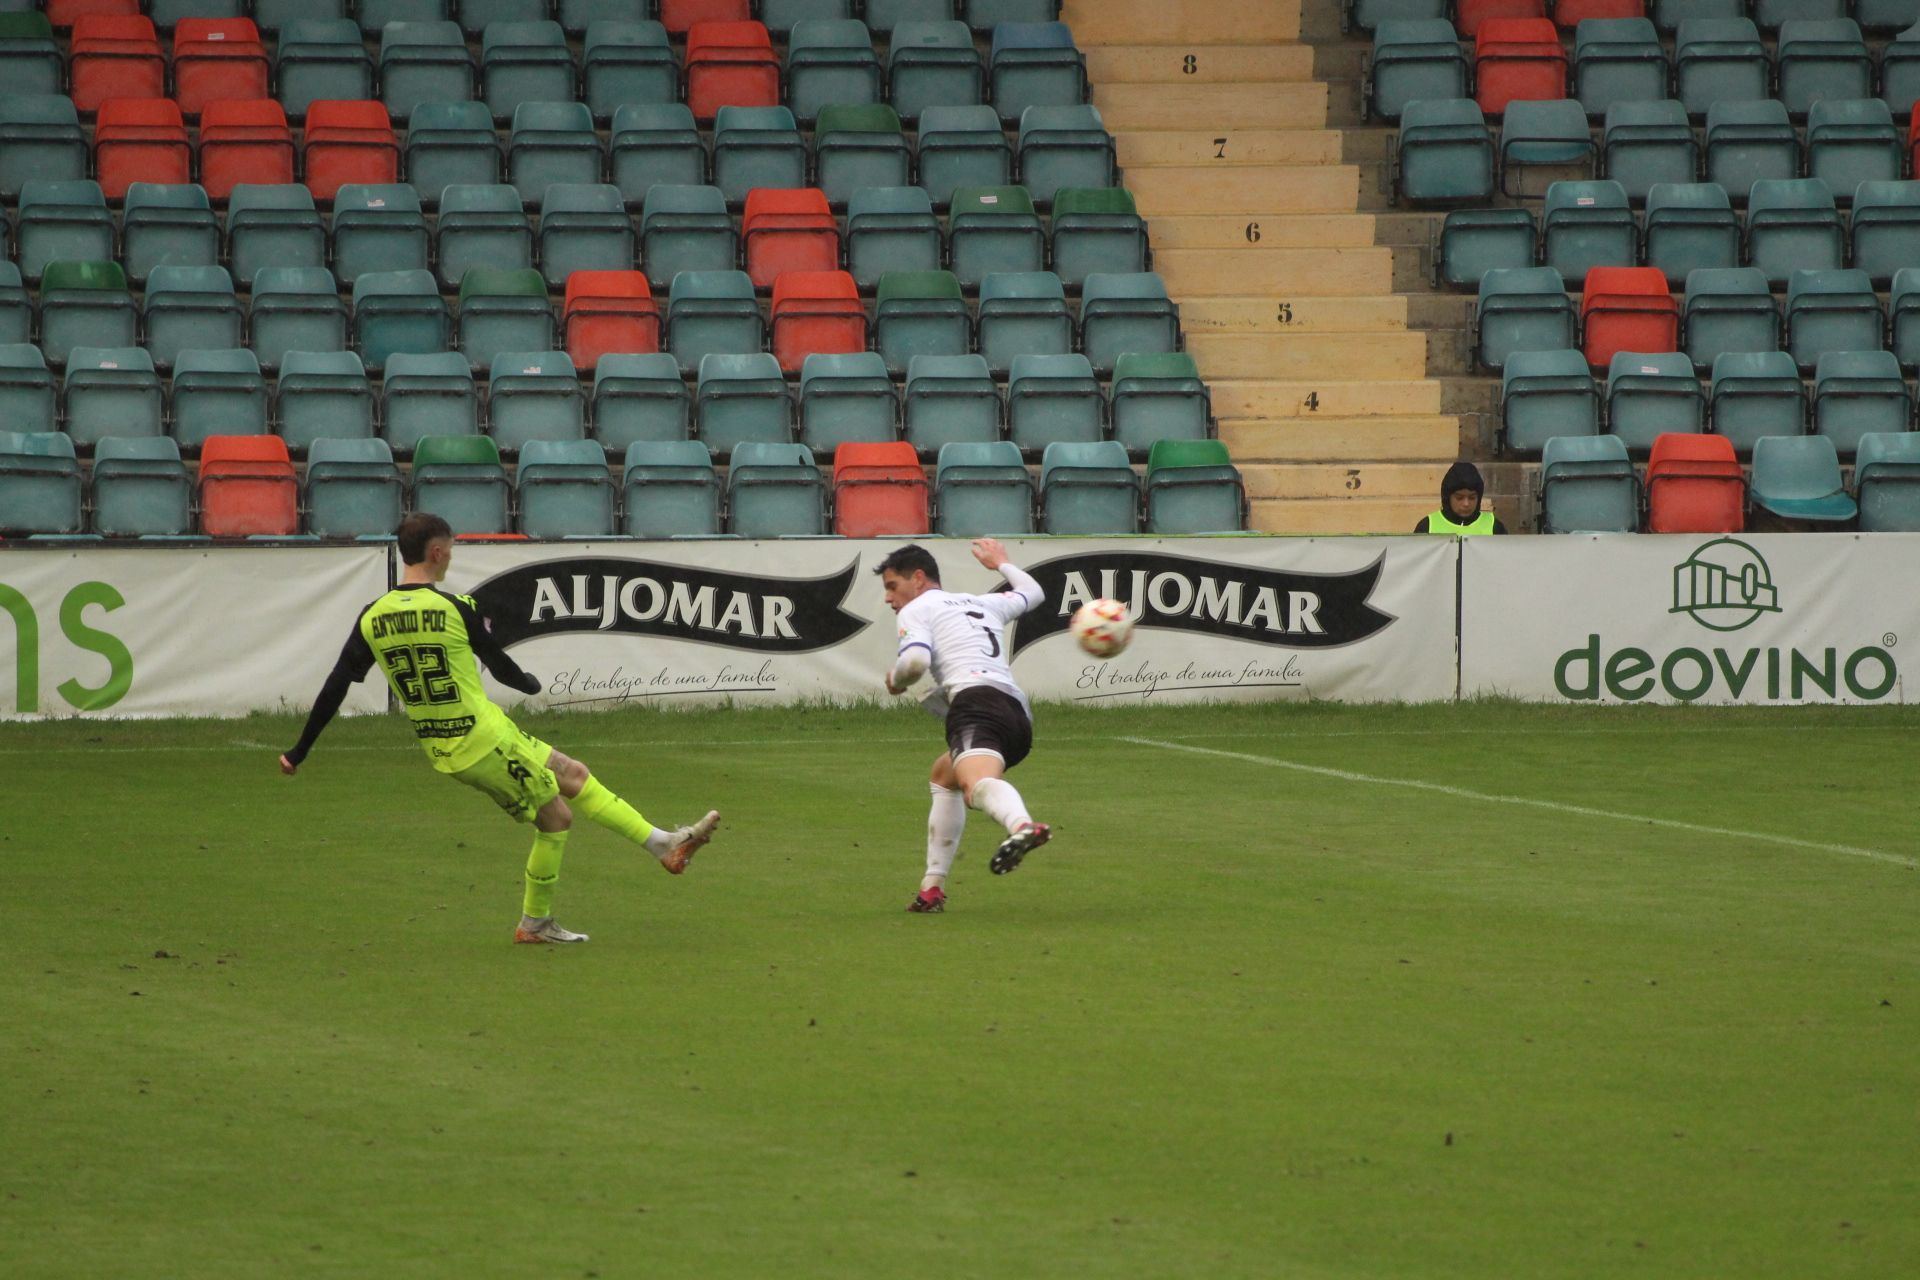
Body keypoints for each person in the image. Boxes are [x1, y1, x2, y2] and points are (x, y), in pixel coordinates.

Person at [277, 513, 719, 944]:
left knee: (574, 775)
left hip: (453, 742)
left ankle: (663, 845)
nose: (450, 557)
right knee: (556, 818)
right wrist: (528, 683)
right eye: (449, 551)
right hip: (481, 740)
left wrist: (299, 750)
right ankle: (535, 923)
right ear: (435, 551)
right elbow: (498, 662)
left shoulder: (373, 616)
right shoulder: (451, 607)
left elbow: (337, 683)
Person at [877, 538, 1051, 914]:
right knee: (944, 776)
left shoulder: (917, 609)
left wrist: (896, 680)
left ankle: (1022, 826)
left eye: (892, 586)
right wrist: (1002, 563)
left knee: (974, 785)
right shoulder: (981, 602)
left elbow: (916, 664)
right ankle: (931, 889)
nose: (889, 599)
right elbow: (1032, 592)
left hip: (976, 705)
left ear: (918, 578)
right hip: (1017, 714)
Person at [1413, 460, 1507, 535]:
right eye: (1459, 498)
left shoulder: (1494, 527)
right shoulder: (1427, 526)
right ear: (1448, 497)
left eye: (1472, 498)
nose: (1466, 504)